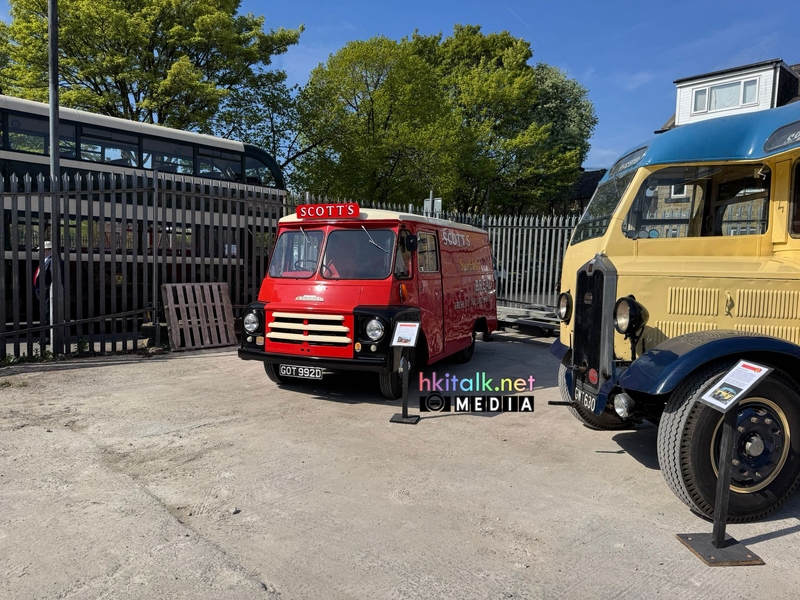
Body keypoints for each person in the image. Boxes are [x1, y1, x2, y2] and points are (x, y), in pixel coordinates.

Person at [32, 240, 53, 326]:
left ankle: (47, 338)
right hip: (42, 292)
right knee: (45, 314)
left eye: (42, 250)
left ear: (49, 250)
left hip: (46, 292)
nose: (39, 252)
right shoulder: (45, 261)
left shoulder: (52, 261)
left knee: (47, 315)